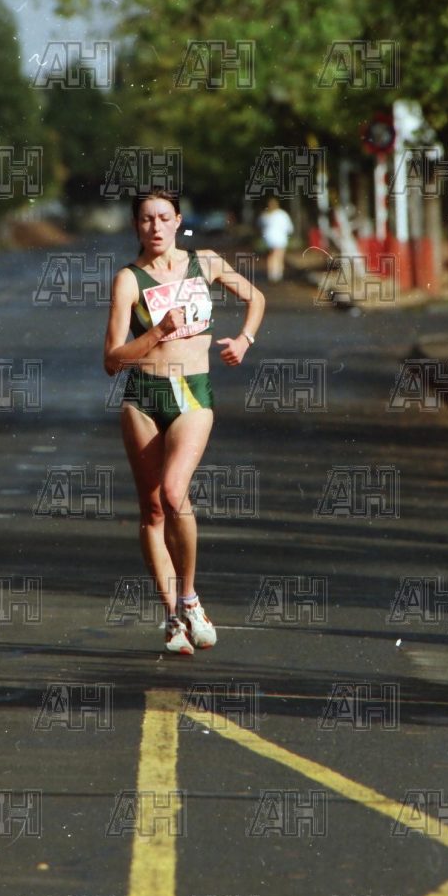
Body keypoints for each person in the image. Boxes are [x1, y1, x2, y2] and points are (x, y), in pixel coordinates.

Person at [103, 190, 265, 654]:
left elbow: (255, 297)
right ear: (136, 226)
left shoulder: (204, 263)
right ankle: (172, 615)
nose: (155, 227)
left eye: (163, 218)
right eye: (146, 219)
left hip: (193, 393)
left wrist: (245, 340)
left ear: (178, 221)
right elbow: (112, 360)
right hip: (143, 397)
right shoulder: (129, 280)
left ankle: (190, 598)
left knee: (175, 493)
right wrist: (159, 331)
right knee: (153, 510)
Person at [259, 197, 294, 282]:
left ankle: (271, 274)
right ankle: (278, 274)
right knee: (279, 255)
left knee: (271, 255)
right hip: (280, 238)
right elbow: (289, 227)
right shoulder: (282, 214)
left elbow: (260, 225)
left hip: (269, 238)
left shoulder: (265, 215)